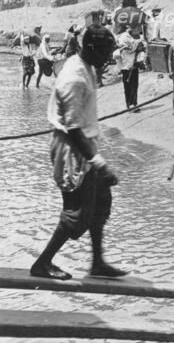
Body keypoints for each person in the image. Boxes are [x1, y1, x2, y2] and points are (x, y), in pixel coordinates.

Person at [30, 24, 126, 281]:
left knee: (101, 203)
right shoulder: (74, 77)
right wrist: (98, 162)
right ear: (92, 50)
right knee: (76, 213)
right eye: (105, 53)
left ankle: (97, 262)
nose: (107, 58)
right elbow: (72, 128)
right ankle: (42, 263)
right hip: (72, 150)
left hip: (84, 143)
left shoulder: (85, 65)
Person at [116, 25, 142, 113]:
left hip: (125, 66)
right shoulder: (125, 37)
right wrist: (137, 44)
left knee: (127, 86)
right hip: (130, 65)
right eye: (130, 28)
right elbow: (130, 48)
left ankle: (130, 104)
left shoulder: (120, 37)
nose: (132, 29)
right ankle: (133, 104)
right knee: (133, 86)